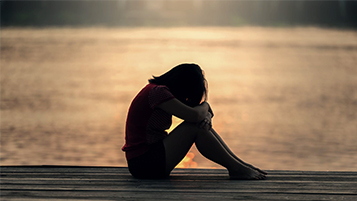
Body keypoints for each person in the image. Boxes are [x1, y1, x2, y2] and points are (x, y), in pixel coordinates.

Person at [122, 63, 267, 179]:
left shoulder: (158, 91)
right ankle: (237, 168)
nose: (186, 99)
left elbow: (199, 115)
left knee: (197, 125)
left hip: (148, 160)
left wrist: (207, 116)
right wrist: (206, 105)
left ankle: (240, 165)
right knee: (193, 127)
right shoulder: (158, 93)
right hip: (143, 163)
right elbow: (195, 115)